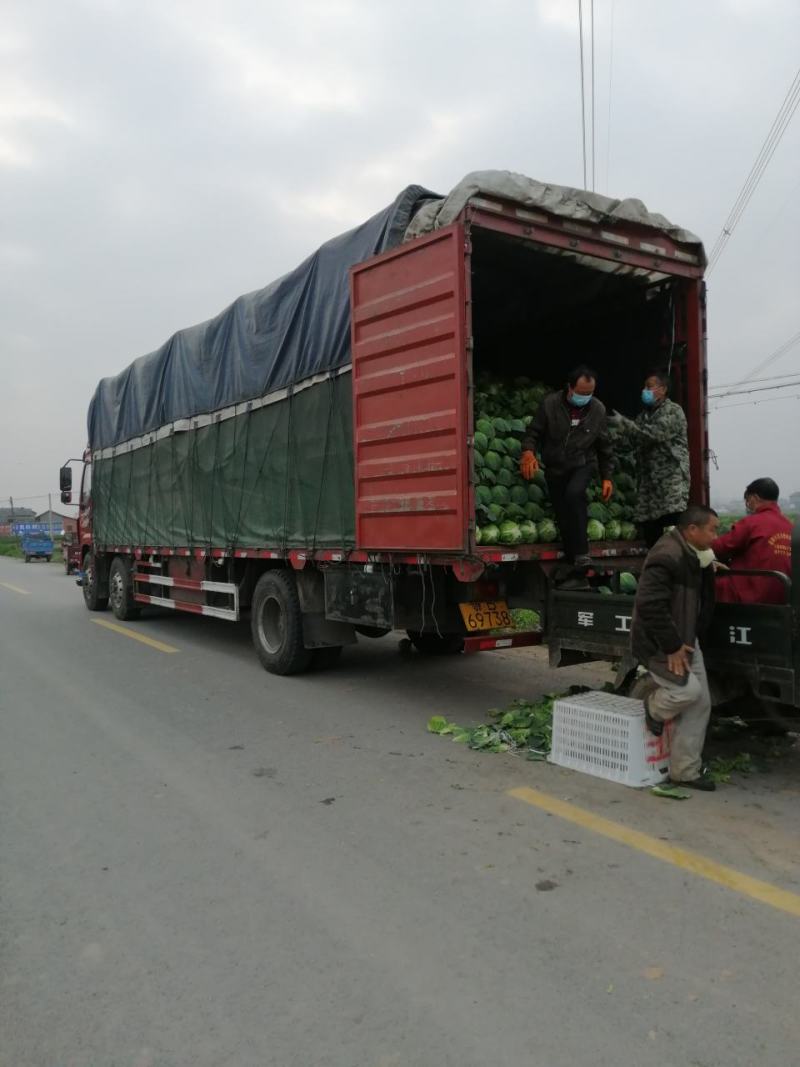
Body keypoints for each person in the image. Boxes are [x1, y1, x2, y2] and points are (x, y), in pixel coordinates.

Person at [631, 504, 719, 791]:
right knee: (687, 692)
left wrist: (708, 565)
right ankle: (654, 708)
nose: (715, 537)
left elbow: (700, 599)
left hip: (688, 640)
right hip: (662, 643)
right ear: (692, 530)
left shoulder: (694, 554)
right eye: (712, 530)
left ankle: (685, 771)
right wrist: (671, 646)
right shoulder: (667, 556)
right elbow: (650, 605)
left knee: (702, 702)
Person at [520, 364, 613, 589]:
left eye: (589, 393)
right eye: (581, 393)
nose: (585, 398)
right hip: (555, 467)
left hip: (582, 463)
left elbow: (604, 445)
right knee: (562, 511)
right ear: (569, 388)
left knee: (574, 494)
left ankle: (582, 554)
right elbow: (534, 432)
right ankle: (573, 560)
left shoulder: (598, 409)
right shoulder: (550, 404)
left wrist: (606, 476)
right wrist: (528, 452)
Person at [607, 370, 690, 547]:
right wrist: (609, 436)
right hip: (648, 483)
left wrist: (625, 424)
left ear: (663, 389)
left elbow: (653, 435)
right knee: (650, 528)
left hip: (669, 483)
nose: (644, 390)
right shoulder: (644, 416)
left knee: (671, 525)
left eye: (649, 387)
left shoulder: (673, 411)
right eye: (644, 387)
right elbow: (631, 442)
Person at [712, 478, 793, 604]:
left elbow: (720, 547)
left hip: (751, 594)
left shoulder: (751, 523)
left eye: (747, 501)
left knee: (704, 584)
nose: (748, 505)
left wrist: (707, 537)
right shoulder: (789, 525)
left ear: (754, 498)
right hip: (784, 595)